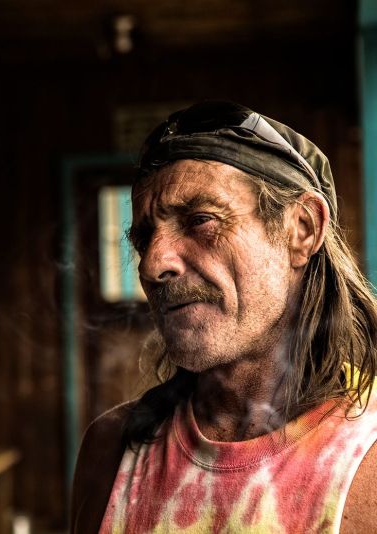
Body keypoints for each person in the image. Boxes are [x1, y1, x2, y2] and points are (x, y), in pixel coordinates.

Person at [70, 101, 377, 533]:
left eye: (200, 220)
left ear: (302, 229)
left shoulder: (366, 458)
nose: (152, 264)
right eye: (143, 238)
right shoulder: (112, 449)